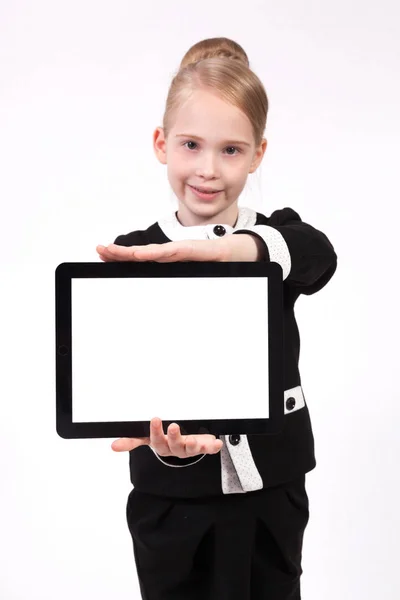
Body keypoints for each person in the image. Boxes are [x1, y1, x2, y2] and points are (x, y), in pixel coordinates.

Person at [97, 37, 337, 600]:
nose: (208, 170)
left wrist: (236, 250)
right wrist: (161, 444)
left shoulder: (275, 235)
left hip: (271, 490)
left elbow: (319, 256)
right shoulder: (136, 253)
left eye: (231, 150)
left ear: (257, 155)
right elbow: (123, 376)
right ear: (162, 144)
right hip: (170, 499)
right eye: (190, 145)